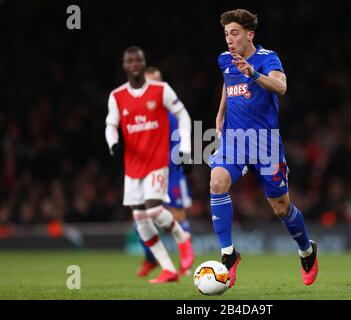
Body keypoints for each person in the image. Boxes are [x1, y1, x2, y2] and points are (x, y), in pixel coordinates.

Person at [209, 9, 319, 288]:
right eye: (226, 34)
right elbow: (227, 81)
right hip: (234, 140)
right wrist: (220, 113)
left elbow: (280, 87)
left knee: (281, 208)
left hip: (265, 144)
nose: (229, 40)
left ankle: (306, 250)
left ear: (249, 34)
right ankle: (228, 254)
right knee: (217, 181)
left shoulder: (268, 58)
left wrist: (254, 73)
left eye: (234, 33)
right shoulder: (225, 59)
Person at [105, 46, 194, 284]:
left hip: (157, 161)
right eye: (129, 61)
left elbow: (183, 114)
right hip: (133, 166)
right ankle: (168, 269)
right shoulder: (117, 96)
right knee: (139, 218)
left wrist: (186, 150)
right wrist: (113, 143)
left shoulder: (161, 90)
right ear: (124, 65)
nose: (134, 64)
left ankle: (182, 239)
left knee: (153, 209)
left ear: (143, 63)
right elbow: (110, 124)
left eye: (138, 60)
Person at [136, 67, 195, 277]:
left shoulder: (172, 113)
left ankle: (186, 263)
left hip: (172, 172)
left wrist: (185, 157)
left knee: (177, 216)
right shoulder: (140, 113)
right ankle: (151, 259)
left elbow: (182, 137)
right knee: (140, 217)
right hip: (147, 173)